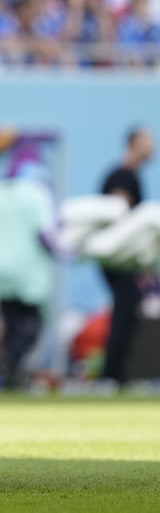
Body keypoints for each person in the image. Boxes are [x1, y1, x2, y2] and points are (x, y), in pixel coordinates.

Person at [0, 153, 57, 388]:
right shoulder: (38, 194)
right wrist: (65, 250)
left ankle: (10, 371)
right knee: (32, 324)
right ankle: (13, 366)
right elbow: (45, 234)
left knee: (10, 322)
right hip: (27, 271)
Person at [100, 128, 154, 385]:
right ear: (134, 144)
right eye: (148, 141)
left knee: (128, 309)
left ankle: (116, 375)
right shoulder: (123, 176)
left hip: (125, 260)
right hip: (117, 260)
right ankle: (110, 376)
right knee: (124, 310)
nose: (153, 146)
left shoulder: (129, 176)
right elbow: (117, 215)